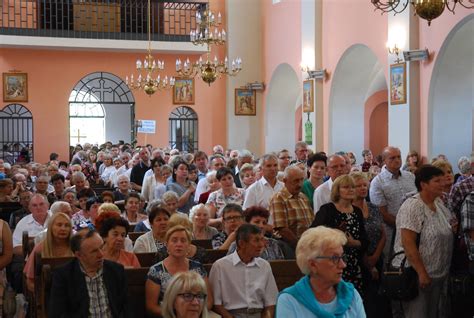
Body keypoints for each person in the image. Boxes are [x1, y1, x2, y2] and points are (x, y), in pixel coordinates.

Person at [392, 165, 455, 318]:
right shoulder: (413, 206)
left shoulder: (438, 203)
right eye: (437, 181)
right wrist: (421, 272)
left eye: (442, 180)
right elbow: (408, 243)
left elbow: (447, 226)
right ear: (423, 184)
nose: (442, 183)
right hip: (417, 274)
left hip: (438, 274)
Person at [276, 226, 366, 317]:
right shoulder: (289, 300)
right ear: (313, 265)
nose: (343, 265)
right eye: (335, 258)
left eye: (342, 257)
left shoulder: (351, 295)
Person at [48, 229, 130, 317]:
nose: (101, 254)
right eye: (94, 251)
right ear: (79, 255)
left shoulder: (116, 270)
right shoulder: (63, 275)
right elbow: (58, 313)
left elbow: (127, 307)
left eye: (102, 247)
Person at [311, 175, 368, 293]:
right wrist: (337, 239)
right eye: (346, 187)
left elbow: (365, 239)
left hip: (355, 264)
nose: (351, 190)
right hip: (332, 262)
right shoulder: (327, 209)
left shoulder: (357, 212)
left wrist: (354, 243)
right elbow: (313, 233)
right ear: (337, 190)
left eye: (352, 187)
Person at [210, 224, 278, 318]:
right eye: (256, 240)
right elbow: (216, 304)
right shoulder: (220, 266)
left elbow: (271, 302)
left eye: (262, 239)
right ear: (242, 244)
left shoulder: (264, 265)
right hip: (232, 315)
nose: (261, 245)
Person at [145, 225, 213, 317]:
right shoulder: (156, 271)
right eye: (174, 240)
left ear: (189, 245)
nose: (179, 244)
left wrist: (195, 313)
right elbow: (151, 306)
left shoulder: (198, 268)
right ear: (167, 244)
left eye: (183, 240)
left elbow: (208, 300)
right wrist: (176, 314)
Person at [351, 172, 387, 317]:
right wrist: (369, 263)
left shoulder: (373, 207)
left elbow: (383, 233)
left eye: (364, 184)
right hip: (359, 260)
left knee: (379, 300)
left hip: (377, 257)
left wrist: (376, 256)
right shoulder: (350, 210)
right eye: (358, 185)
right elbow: (355, 237)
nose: (363, 188)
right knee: (365, 299)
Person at [369, 146, 417, 255]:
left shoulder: (410, 177)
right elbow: (381, 213)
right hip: (392, 232)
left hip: (415, 228)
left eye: (399, 157)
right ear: (384, 160)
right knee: (393, 264)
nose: (397, 160)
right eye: (392, 158)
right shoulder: (378, 182)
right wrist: (404, 226)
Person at [24, 212, 74, 292]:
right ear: (51, 227)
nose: (63, 228)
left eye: (67, 225)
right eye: (59, 225)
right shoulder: (40, 248)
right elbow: (30, 281)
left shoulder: (76, 247)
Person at [270, 165, 314, 248]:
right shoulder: (278, 198)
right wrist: (300, 246)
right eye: (296, 181)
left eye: (302, 180)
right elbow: (282, 229)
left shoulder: (303, 197)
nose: (300, 184)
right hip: (289, 246)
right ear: (285, 181)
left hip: (308, 244)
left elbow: (311, 222)